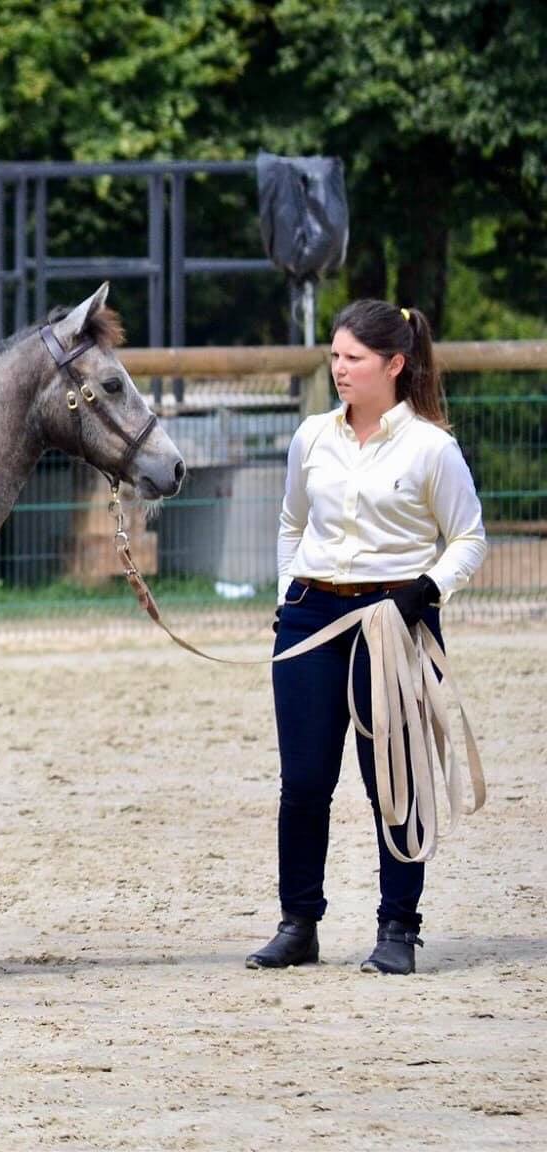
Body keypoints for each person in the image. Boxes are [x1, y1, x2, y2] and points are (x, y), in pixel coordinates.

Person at [249, 300, 486, 977]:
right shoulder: (312, 438)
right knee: (303, 782)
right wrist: (285, 595)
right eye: (334, 357)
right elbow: (292, 524)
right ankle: (299, 923)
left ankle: (398, 928)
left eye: (353, 358)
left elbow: (468, 537)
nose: (339, 369)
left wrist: (426, 591)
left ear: (394, 364)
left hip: (395, 620)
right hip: (310, 615)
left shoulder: (431, 448)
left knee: (394, 782)